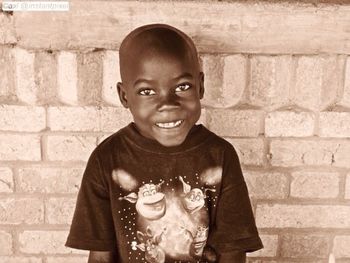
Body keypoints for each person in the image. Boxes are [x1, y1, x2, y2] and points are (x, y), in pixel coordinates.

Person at [66, 23, 263, 263]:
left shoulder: (220, 156)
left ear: (200, 86)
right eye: (147, 91)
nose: (168, 104)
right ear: (124, 96)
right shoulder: (107, 159)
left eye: (182, 87)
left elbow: (233, 253)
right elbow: (100, 257)